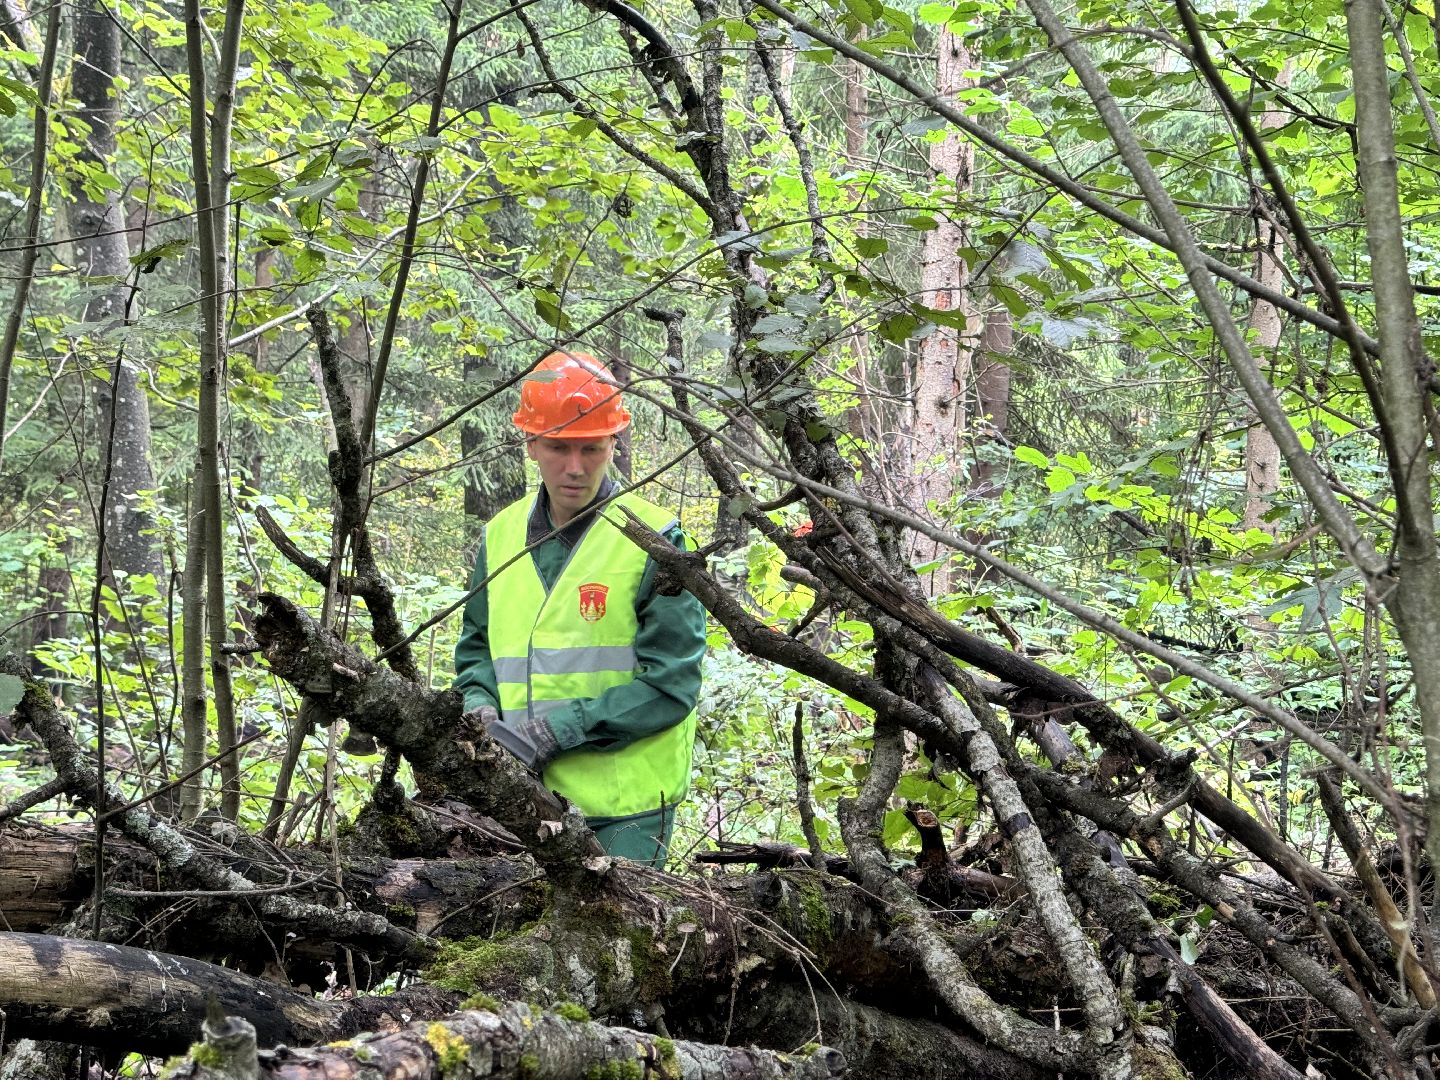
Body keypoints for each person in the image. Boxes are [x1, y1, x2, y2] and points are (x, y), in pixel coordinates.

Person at [454, 349, 706, 865]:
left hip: (625, 811)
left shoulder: (658, 540)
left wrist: (559, 729)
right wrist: (477, 706)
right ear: (530, 444)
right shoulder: (500, 536)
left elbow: (671, 687)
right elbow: (477, 647)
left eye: (592, 449)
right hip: (518, 802)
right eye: (558, 448)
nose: (575, 468)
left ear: (614, 442)